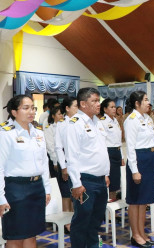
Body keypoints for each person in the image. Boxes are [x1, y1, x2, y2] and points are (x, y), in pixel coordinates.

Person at [0, 95, 51, 247]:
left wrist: (46, 189)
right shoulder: (6, 133)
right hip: (15, 190)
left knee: (31, 234)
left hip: (36, 188)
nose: (31, 112)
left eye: (33, 108)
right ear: (14, 112)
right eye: (26, 108)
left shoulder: (38, 133)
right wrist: (1, 198)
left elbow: (44, 163)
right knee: (16, 237)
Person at [66, 87, 110, 248]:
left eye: (98, 100)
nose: (98, 104)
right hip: (85, 181)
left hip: (99, 180)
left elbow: (100, 150)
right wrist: (76, 184)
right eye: (94, 101)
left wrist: (105, 174)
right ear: (83, 104)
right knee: (82, 222)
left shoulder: (97, 121)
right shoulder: (75, 124)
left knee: (95, 221)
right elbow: (71, 156)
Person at [124, 91, 154, 248]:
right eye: (145, 100)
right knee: (135, 201)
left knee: (144, 201)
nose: (148, 102)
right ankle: (135, 235)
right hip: (138, 161)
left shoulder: (148, 118)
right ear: (137, 104)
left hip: (148, 161)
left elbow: (151, 144)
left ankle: (142, 232)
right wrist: (135, 170)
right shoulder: (132, 120)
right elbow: (130, 148)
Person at [55, 97, 78, 234]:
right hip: (66, 162)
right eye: (75, 106)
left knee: (76, 193)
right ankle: (67, 223)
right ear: (67, 108)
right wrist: (63, 167)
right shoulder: (61, 124)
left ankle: (75, 219)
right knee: (66, 193)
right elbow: (58, 147)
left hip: (77, 162)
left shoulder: (80, 122)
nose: (77, 109)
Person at [100, 99, 124, 201]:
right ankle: (108, 209)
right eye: (111, 107)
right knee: (109, 181)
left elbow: (119, 141)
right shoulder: (102, 122)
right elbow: (102, 142)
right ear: (105, 109)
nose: (114, 109)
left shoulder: (115, 121)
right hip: (108, 153)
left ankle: (113, 203)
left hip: (117, 152)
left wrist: (122, 156)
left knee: (115, 181)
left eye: (115, 107)